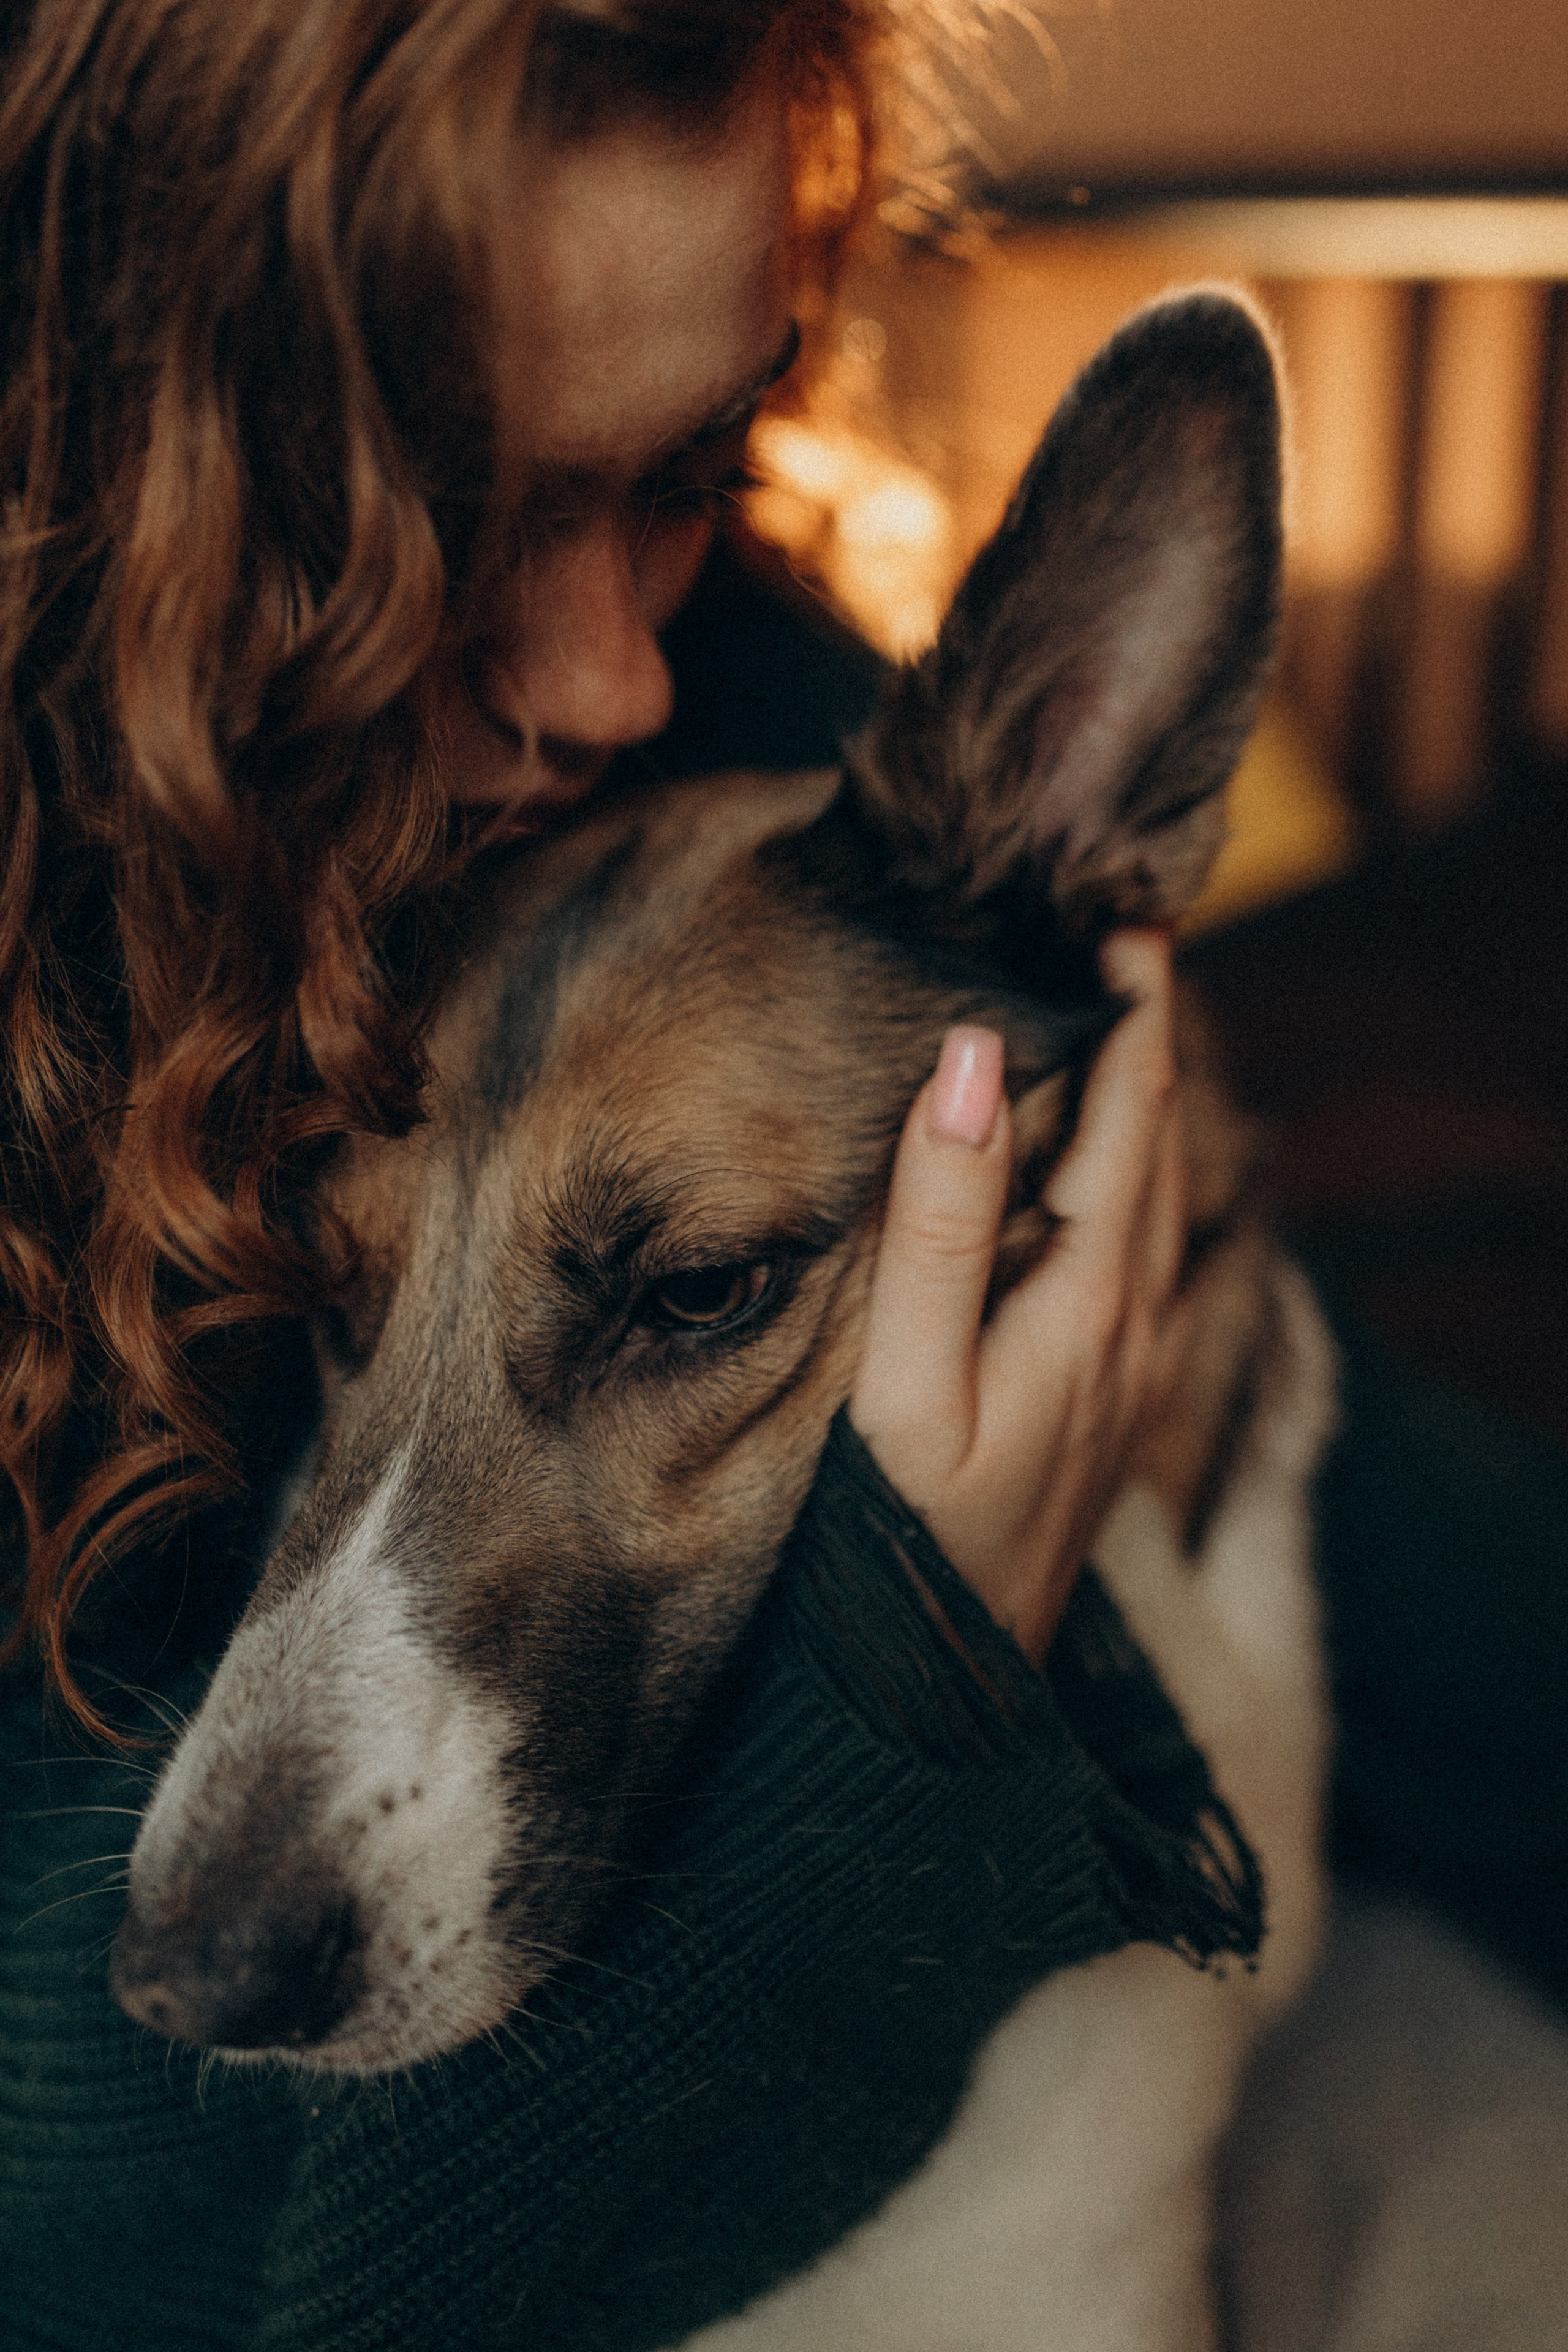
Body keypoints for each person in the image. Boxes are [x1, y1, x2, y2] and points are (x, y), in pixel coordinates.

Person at [1, 2, 1562, 2347]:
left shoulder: (769, 726)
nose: (616, 682)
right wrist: (898, 1665)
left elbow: (1405, 1564)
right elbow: (106, 2238)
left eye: (679, 469)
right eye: (440, 506)